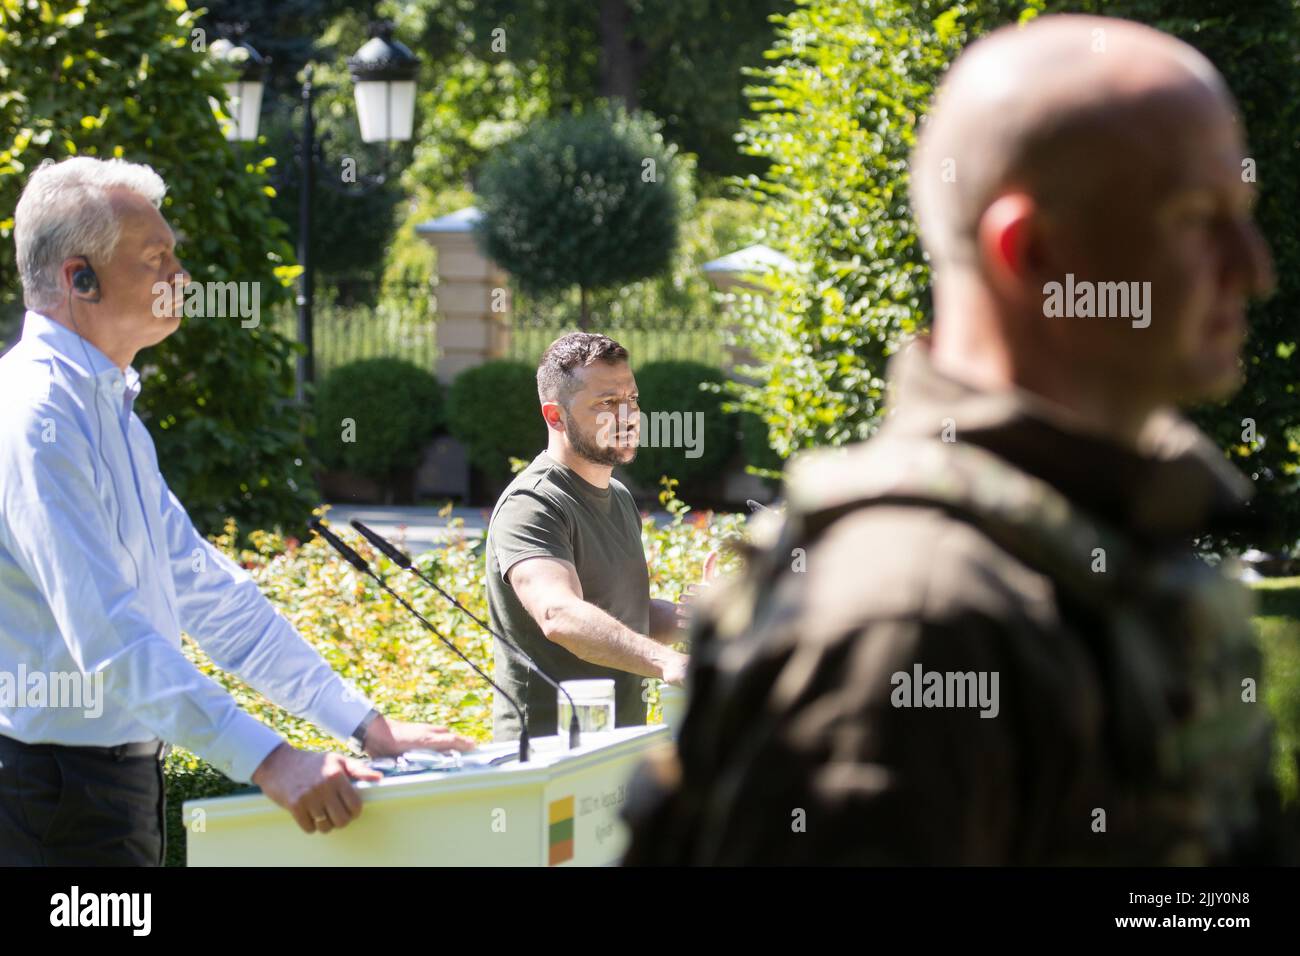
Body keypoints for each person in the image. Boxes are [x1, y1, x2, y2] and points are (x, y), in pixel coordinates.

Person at [623, 14, 1294, 865]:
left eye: (1245, 214)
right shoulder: (912, 613)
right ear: (1037, 254)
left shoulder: (1102, 535)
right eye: (1199, 218)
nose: (1254, 265)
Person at [0, 157, 474, 865]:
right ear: (80, 278)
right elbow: (109, 637)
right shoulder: (38, 414)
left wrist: (364, 724)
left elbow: (212, 594)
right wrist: (273, 761)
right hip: (48, 797)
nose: (180, 277)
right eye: (156, 259)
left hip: (108, 784)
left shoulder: (109, 408)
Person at [486, 332, 712, 742]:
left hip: (614, 746)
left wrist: (695, 620)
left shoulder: (619, 498)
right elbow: (560, 615)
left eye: (633, 400)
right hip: (544, 757)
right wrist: (668, 662)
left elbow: (620, 613)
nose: (627, 416)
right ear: (555, 416)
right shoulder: (532, 503)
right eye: (607, 403)